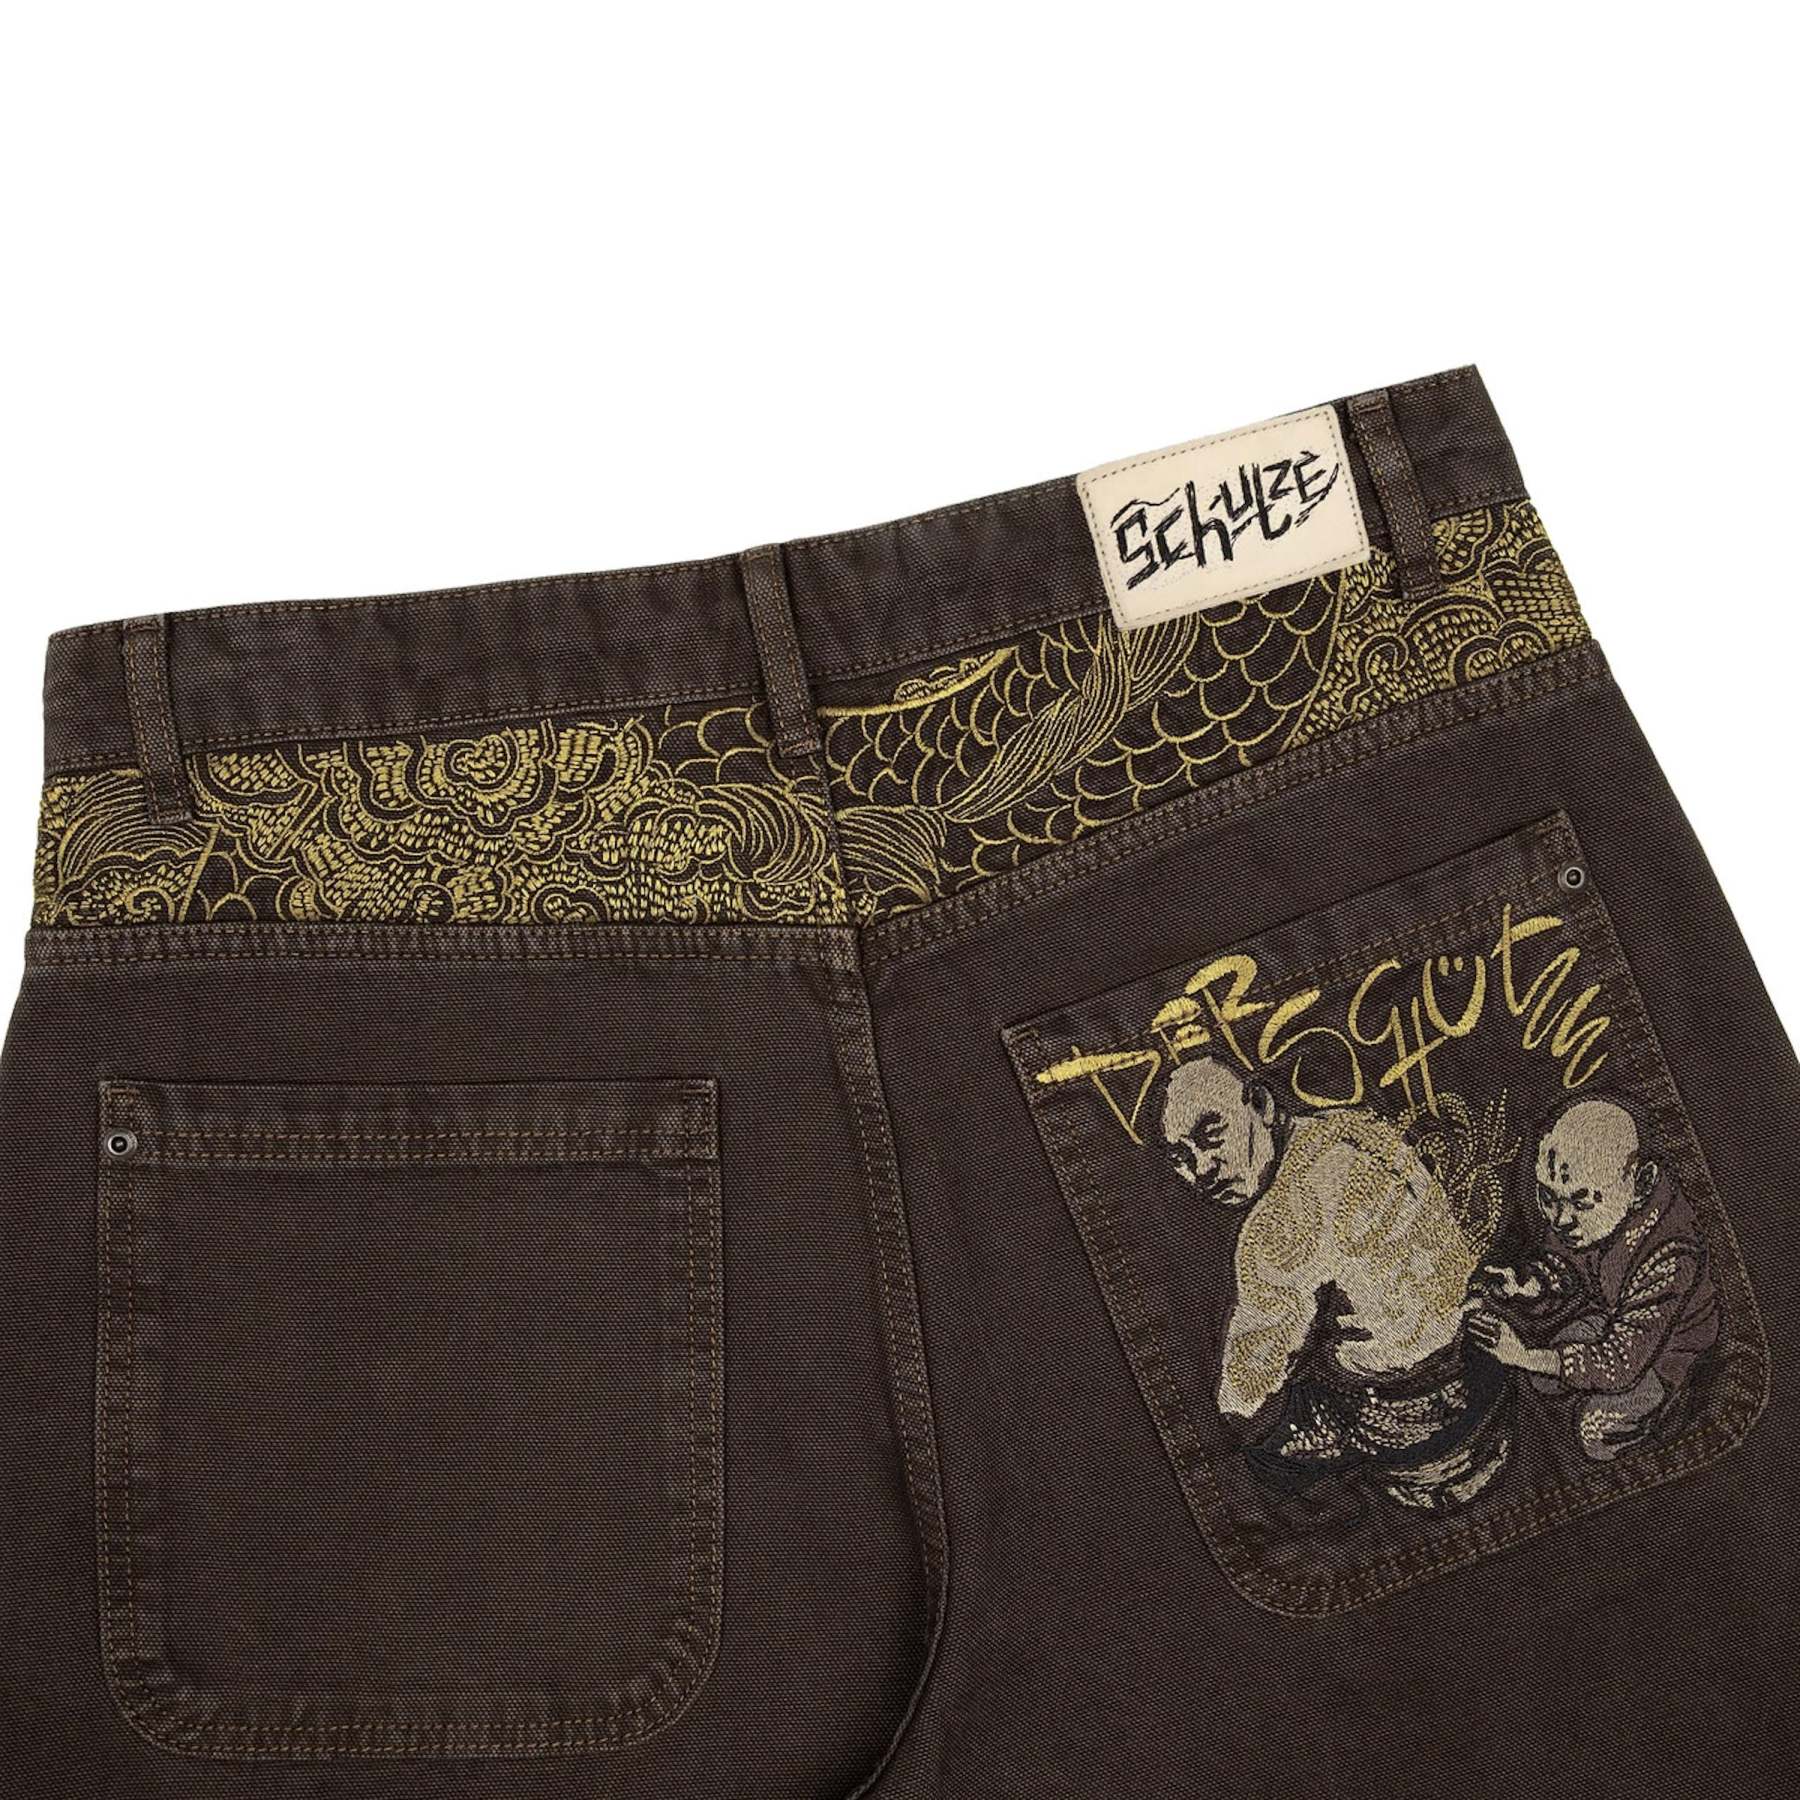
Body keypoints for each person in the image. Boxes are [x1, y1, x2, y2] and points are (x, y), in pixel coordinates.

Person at [1161, 1056, 1509, 1509]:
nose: (1202, 1169)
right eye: (1181, 1158)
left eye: (1212, 1136)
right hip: (1483, 1364)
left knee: (1259, 1449)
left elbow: (1244, 1395)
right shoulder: (1355, 1129)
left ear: (1261, 1104)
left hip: (1413, 1418)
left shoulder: (1278, 1225)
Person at [1467, 1095, 1719, 1461]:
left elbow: (1620, 1363)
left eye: (1581, 1203)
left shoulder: (1672, 1255)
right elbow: (1564, 1265)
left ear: (1641, 1184)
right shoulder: (1588, 1218)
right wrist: (1530, 1284)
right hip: (1617, 1319)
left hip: (1670, 1350)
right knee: (1545, 1377)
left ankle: (1674, 1411)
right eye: (1548, 1197)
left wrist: (1523, 1356)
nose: (1560, 1219)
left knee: (1596, 1432)